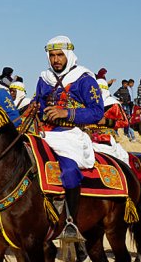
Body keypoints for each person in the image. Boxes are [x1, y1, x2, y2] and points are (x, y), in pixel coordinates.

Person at [34, 35, 103, 241]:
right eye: (52, 55)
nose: (56, 60)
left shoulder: (84, 79)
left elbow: (97, 112)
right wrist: (34, 109)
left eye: (60, 55)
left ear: (69, 56)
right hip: (44, 133)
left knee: (69, 170)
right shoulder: (44, 78)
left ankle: (70, 223)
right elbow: (38, 102)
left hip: (71, 136)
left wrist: (67, 114)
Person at [91, 78, 130, 163]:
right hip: (90, 138)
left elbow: (125, 122)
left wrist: (107, 121)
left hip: (106, 139)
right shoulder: (91, 104)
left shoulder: (113, 104)